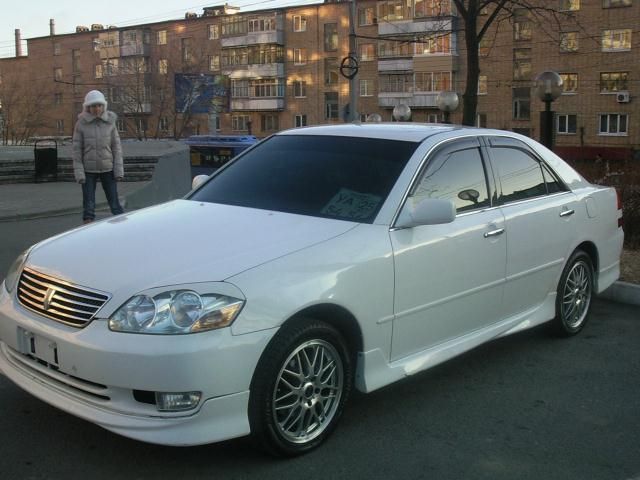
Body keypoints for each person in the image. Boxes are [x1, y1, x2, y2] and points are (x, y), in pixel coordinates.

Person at [73, 90, 124, 223]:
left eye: (99, 105)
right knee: (88, 206)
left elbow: (116, 148)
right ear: (88, 107)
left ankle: (123, 228)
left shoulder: (110, 122)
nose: (96, 109)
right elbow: (77, 150)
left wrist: (118, 170)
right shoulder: (81, 124)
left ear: (103, 106)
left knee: (115, 203)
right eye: (93, 106)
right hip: (88, 171)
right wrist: (79, 173)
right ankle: (87, 231)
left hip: (108, 169)